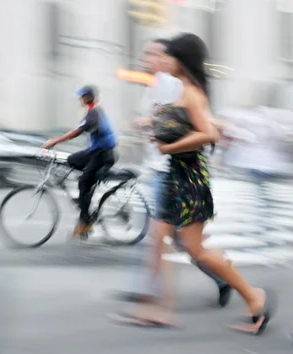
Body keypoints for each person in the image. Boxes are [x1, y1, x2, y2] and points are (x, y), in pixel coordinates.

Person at [111, 33, 273, 334]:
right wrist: (158, 128)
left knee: (195, 250)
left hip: (188, 177)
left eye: (170, 56)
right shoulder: (185, 90)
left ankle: (254, 296)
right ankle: (158, 309)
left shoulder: (192, 93)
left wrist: (168, 147)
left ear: (181, 61)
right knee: (160, 240)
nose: (163, 61)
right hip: (178, 176)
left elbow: (209, 134)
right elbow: (188, 127)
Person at [116, 38, 232, 307]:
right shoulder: (157, 84)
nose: (148, 58)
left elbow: (192, 124)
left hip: (174, 170)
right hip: (161, 167)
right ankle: (153, 296)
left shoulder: (175, 84)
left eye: (154, 54)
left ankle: (154, 300)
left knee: (169, 239)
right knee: (172, 240)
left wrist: (151, 126)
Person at [42, 85, 117, 238]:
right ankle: (85, 195)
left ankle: (85, 222)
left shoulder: (94, 112)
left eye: (82, 96)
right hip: (96, 152)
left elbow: (76, 131)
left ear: (88, 97)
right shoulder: (93, 111)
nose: (80, 100)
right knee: (71, 160)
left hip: (103, 154)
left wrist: (55, 141)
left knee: (83, 183)